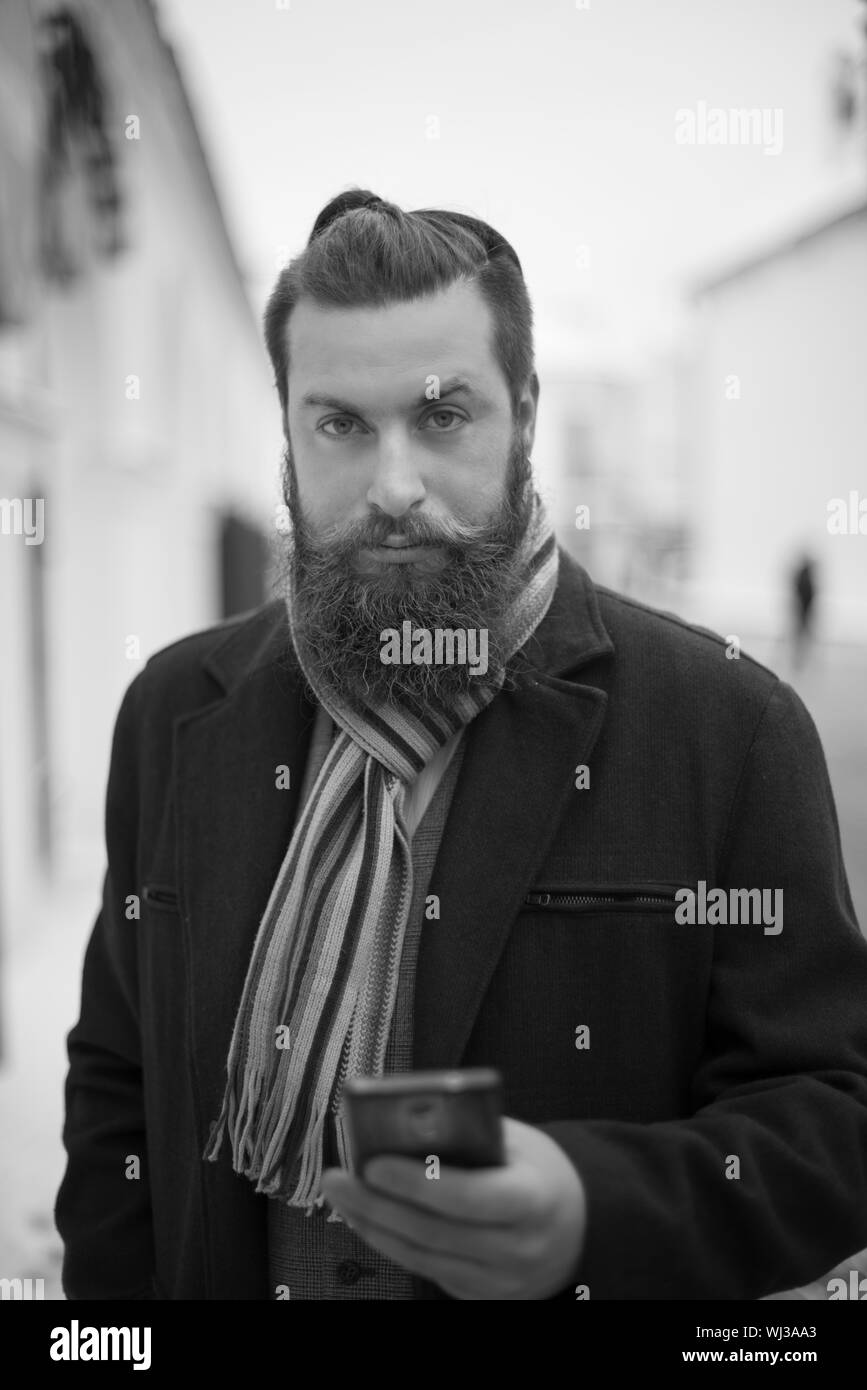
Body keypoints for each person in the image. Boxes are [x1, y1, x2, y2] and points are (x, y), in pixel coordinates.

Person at [55, 189, 867, 1301]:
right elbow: (119, 1083)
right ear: (287, 429)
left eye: (443, 418)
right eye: (341, 423)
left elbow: (831, 1116)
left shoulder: (730, 728)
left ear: (523, 415)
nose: (395, 488)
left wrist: (594, 1205)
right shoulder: (174, 712)